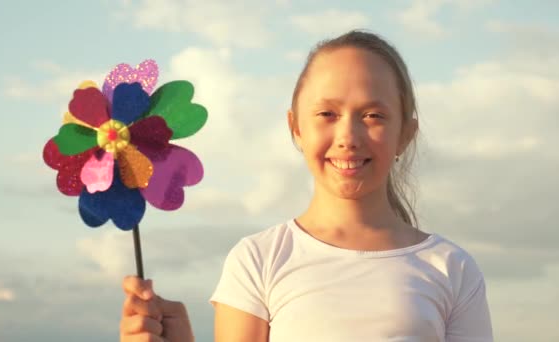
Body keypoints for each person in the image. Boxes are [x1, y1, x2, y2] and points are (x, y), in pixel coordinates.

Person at [119, 29, 494, 342]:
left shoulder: (452, 269)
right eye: (327, 114)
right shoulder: (258, 261)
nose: (348, 136)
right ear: (296, 126)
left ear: (405, 134)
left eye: (374, 115)